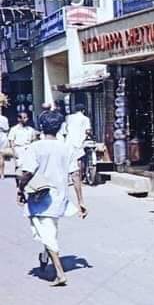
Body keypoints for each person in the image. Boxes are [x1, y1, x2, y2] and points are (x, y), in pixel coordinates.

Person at [16, 110, 88, 287]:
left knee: (47, 233)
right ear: (60, 127)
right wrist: (81, 201)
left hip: (40, 197)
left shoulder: (35, 147)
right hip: (59, 197)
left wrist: (20, 189)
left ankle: (60, 273)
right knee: (50, 230)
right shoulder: (66, 148)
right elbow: (76, 175)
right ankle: (45, 255)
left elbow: (27, 172)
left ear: (41, 126)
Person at [8, 112, 37, 185]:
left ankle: (26, 184)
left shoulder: (30, 130)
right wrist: (14, 152)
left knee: (28, 168)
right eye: (23, 117)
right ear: (19, 119)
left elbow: (34, 140)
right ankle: (18, 184)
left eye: (26, 117)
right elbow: (11, 141)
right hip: (19, 149)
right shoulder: (14, 129)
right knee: (18, 167)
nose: (25, 119)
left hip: (28, 149)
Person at [0, 109, 9, 179]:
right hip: (2, 136)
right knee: (1, 156)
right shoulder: (4, 119)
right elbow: (7, 129)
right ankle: (2, 174)